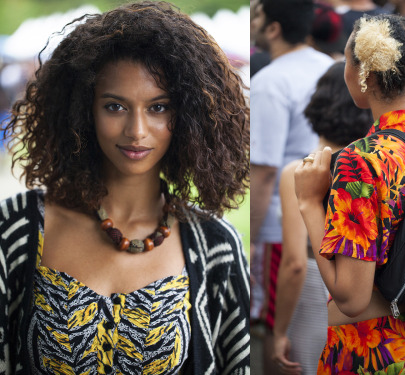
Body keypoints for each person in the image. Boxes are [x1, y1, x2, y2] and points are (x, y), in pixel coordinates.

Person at [0, 2, 250, 373]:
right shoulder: (16, 228)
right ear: (84, 110)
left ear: (189, 115)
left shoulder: (216, 246)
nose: (136, 131)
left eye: (158, 108)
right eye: (115, 107)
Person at [294, 14, 405, 374]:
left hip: (375, 351)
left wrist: (309, 202)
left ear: (367, 74)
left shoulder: (360, 161)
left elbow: (352, 297)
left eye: (347, 62)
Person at [272, 62, 372, 375]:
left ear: (318, 103)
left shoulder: (298, 173)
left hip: (315, 297)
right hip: (365, 298)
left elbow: (294, 264)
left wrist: (278, 331)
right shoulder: (372, 171)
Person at [249, 0, 333, 372]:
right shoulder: (331, 67)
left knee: (278, 335)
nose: (252, 21)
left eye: (257, 14)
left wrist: (250, 233)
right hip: (330, 220)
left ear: (273, 28)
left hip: (281, 226)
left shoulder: (270, 80)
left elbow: (264, 170)